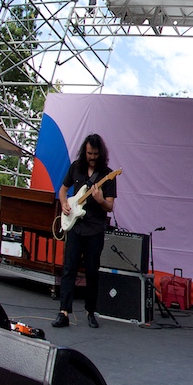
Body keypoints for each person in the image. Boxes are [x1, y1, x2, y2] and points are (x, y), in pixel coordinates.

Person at [52, 134, 116, 328]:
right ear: (84, 151)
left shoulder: (108, 175)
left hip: (95, 229)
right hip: (75, 226)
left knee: (91, 272)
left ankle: (90, 312)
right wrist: (64, 204)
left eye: (95, 154)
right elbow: (63, 190)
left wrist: (99, 199)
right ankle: (64, 312)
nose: (92, 157)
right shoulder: (76, 168)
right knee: (68, 268)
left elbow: (110, 206)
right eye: (89, 153)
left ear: (101, 153)